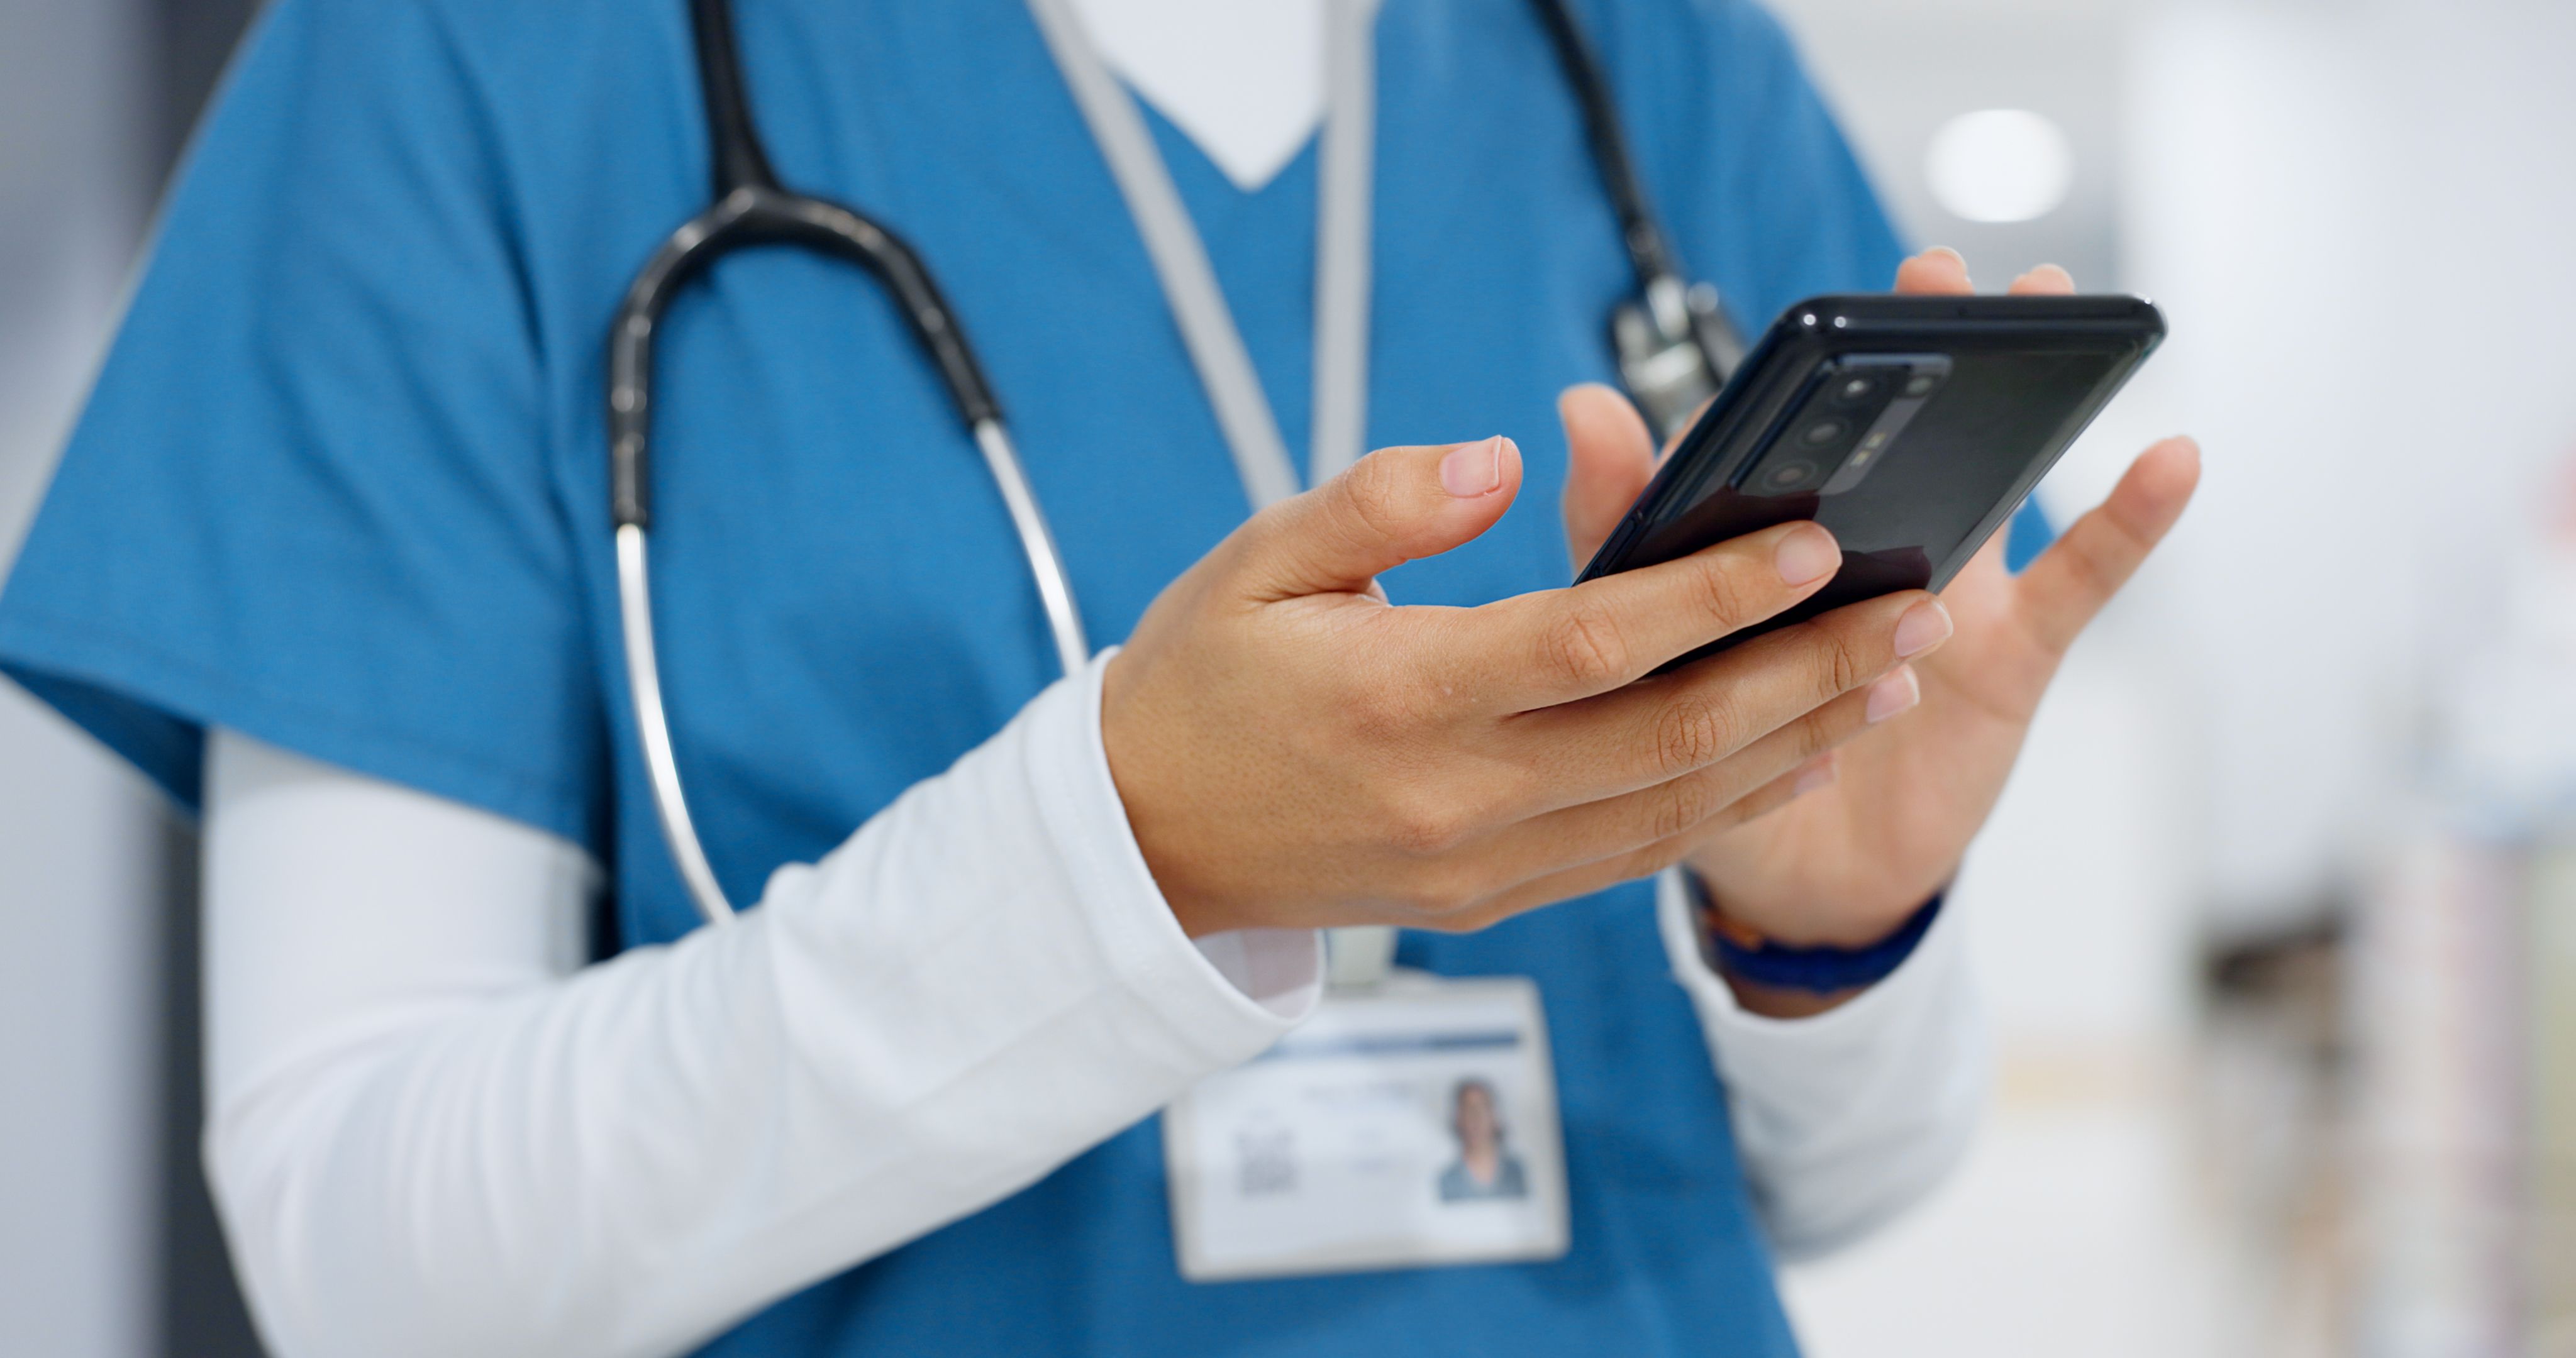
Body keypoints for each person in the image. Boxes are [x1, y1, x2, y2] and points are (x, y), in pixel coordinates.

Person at [0, 0, 2199, 1354]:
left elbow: (1840, 1189)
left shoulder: (1645, 58)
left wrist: (1822, 940)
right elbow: (363, 1269)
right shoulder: (472, 58)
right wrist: (1130, 862)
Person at [1438, 1079, 1530, 1203]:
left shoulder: (1517, 1173)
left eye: (1483, 1107)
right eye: (1469, 1109)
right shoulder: (1447, 1180)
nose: (1476, 1117)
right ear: (1459, 1118)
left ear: (1495, 1116)